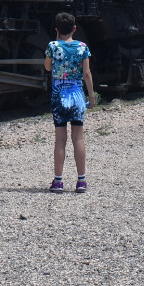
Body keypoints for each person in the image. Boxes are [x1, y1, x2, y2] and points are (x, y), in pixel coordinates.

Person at [44, 12, 95, 193]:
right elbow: (87, 74)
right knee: (78, 138)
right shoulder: (82, 47)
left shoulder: (52, 46)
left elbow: (47, 67)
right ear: (74, 28)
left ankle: (58, 181)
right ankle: (81, 181)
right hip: (77, 95)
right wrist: (92, 96)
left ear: (57, 30)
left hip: (59, 95)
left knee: (60, 140)